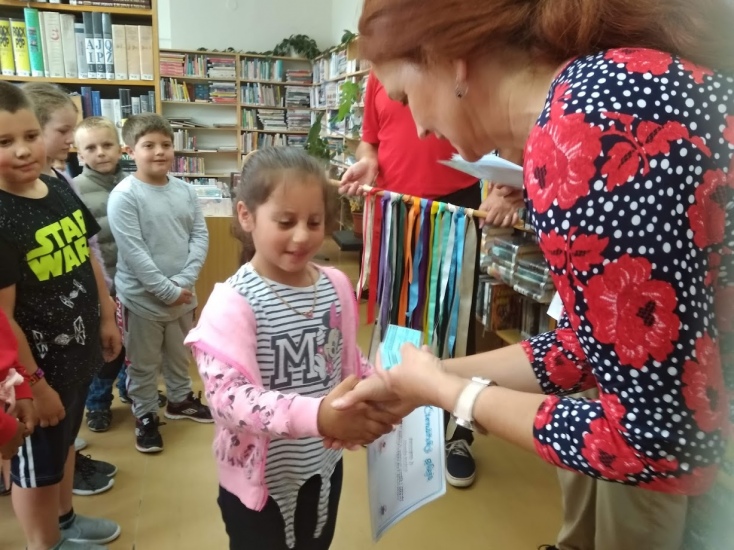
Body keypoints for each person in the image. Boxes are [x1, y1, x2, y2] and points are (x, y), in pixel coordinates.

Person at [331, 1, 734, 549]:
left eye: (405, 97)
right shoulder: (599, 92)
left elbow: (656, 443)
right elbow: (587, 346)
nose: (419, 127)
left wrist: (451, 394)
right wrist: (426, 380)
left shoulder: (579, 135)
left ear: (452, 61)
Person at [184, 147, 397, 550]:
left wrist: (379, 387)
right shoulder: (233, 302)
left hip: (323, 466)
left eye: (314, 222)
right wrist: (318, 416)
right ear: (246, 216)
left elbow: (344, 359)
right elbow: (227, 399)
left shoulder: (335, 286)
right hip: (258, 482)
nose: (302, 236)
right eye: (285, 222)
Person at [339, 71, 525, 487]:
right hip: (394, 208)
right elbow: (370, 140)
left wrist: (504, 187)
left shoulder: (460, 65)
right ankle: (396, 423)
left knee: (452, 324)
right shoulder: (380, 75)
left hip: (455, 209)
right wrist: (368, 161)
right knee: (397, 319)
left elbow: (507, 126)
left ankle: (458, 434)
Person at [0, 81, 122, 550]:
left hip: (77, 354)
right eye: (4, 142)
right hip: (37, 378)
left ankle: (65, 521)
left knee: (66, 444)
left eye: (30, 135)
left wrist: (107, 317)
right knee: (37, 469)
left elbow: (87, 256)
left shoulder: (55, 184)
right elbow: (3, 319)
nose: (23, 150)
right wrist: (35, 384)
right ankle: (45, 543)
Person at [108, 113, 211, 454]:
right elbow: (134, 252)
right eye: (148, 145)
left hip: (182, 296)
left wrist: (183, 282)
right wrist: (166, 290)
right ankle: (145, 414)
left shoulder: (185, 190)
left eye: (165, 144)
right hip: (142, 300)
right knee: (143, 363)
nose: (159, 152)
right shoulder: (125, 195)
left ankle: (180, 400)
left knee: (180, 356)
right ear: (130, 150)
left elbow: (199, 236)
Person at [73, 116, 129, 434]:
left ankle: (130, 390)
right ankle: (97, 403)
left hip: (134, 285)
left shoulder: (133, 184)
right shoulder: (74, 190)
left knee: (133, 346)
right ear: (80, 154)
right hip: (102, 288)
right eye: (91, 148)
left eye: (107, 145)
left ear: (120, 148)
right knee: (107, 350)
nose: (101, 153)